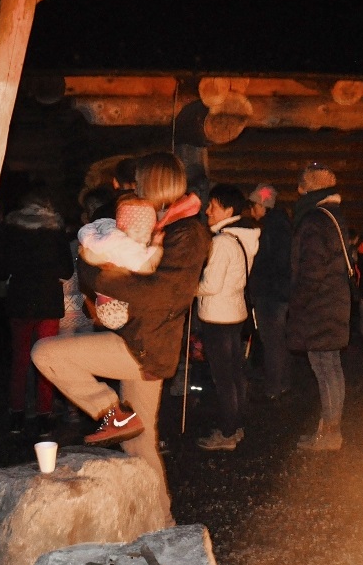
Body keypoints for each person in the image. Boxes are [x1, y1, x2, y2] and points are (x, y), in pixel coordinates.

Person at [32, 152, 210, 484]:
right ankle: (159, 512)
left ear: (152, 182)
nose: (134, 187)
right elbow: (88, 266)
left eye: (139, 181)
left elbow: (163, 293)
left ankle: (110, 411)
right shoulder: (145, 219)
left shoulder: (187, 232)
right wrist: (94, 261)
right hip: (136, 336)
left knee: (46, 352)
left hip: (146, 345)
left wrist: (102, 274)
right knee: (139, 445)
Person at [0, 190, 74, 436]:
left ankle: (17, 414)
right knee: (46, 356)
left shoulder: (11, 228)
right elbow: (67, 271)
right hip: (48, 300)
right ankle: (44, 416)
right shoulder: (55, 227)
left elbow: (0, 269)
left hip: (20, 299)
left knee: (20, 358)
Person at [286, 162, 352, 452]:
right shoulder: (333, 214)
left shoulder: (314, 219)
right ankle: (328, 429)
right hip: (333, 302)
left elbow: (311, 270)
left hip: (319, 306)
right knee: (331, 367)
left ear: (307, 188)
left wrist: (297, 304)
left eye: (300, 186)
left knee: (325, 369)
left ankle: (330, 434)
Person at [195, 184, 259, 451]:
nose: (208, 211)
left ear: (229, 210)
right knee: (235, 373)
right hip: (234, 313)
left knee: (223, 378)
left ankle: (227, 432)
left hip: (217, 316)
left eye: (213, 206)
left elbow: (211, 285)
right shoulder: (242, 236)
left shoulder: (222, 242)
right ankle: (236, 425)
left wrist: (187, 287)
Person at [77, 196, 164, 330]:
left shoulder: (114, 236)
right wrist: (157, 246)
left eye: (147, 231)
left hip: (107, 292)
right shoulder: (126, 247)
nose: (142, 236)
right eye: (138, 230)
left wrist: (89, 242)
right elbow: (146, 267)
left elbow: (88, 238)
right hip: (113, 296)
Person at [245, 183, 292, 401]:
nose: (252, 210)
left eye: (254, 205)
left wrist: (257, 283)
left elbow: (269, 263)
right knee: (278, 339)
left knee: (271, 340)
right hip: (279, 292)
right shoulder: (282, 225)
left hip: (270, 293)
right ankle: (283, 381)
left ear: (263, 206)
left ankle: (274, 386)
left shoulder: (270, 229)